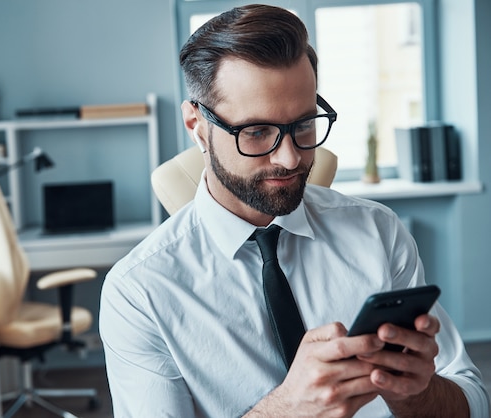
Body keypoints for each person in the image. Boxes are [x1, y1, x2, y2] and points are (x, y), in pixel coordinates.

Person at [99, 4, 490, 417]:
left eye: (303, 125)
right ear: (197, 126)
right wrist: (288, 409)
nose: (289, 158)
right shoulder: (139, 292)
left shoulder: (378, 231)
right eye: (257, 131)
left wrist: (416, 395)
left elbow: (475, 402)